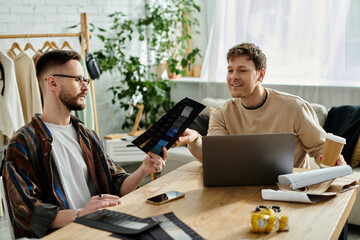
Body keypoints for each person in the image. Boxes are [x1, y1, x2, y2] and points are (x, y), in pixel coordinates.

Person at [2, 50, 167, 238]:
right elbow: (27, 211)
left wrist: (143, 170)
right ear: (52, 83)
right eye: (78, 80)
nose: (85, 87)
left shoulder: (87, 135)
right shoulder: (23, 142)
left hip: (102, 227)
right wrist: (81, 214)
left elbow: (115, 186)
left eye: (85, 80)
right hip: (66, 234)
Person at [179, 42, 346, 168]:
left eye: (242, 70)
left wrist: (329, 158)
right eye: (230, 70)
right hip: (242, 188)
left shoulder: (295, 107)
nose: (233, 77)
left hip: (289, 191)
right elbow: (215, 156)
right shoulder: (222, 113)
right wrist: (195, 139)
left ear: (261, 75)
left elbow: (319, 148)